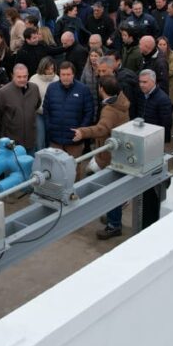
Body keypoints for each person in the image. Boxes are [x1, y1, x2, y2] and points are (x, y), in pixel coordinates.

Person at [72, 76, 130, 239]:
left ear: (102, 90)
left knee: (110, 190)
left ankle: (113, 224)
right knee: (112, 188)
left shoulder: (110, 110)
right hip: (118, 153)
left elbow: (101, 129)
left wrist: (83, 132)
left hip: (109, 155)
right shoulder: (121, 100)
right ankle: (114, 215)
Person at [42, 61, 95, 171]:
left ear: (73, 75)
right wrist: (49, 127)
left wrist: (81, 131)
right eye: (63, 75)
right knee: (55, 169)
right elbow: (46, 110)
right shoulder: (52, 88)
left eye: (68, 74)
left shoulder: (83, 89)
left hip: (74, 140)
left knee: (74, 169)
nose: (65, 77)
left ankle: (76, 188)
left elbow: (89, 112)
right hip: (55, 139)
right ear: (59, 75)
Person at [0, 63, 41, 152]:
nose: (22, 79)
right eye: (19, 77)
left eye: (25, 76)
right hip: (11, 143)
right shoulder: (3, 93)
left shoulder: (34, 88)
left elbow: (37, 105)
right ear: (13, 76)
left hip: (30, 141)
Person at [137, 69, 173, 136]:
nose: (141, 85)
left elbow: (166, 123)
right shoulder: (140, 94)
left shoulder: (163, 99)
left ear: (153, 81)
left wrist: (163, 140)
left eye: (144, 82)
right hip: (141, 133)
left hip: (154, 136)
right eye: (140, 82)